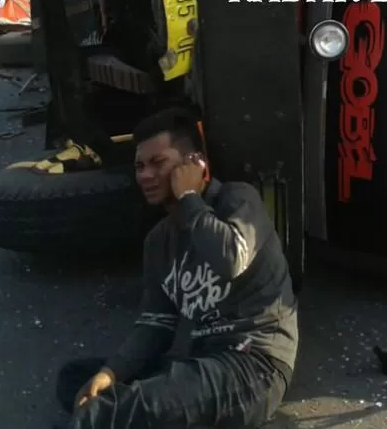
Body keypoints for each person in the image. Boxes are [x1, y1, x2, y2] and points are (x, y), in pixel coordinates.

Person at [55, 108, 298, 429]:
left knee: (107, 413)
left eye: (158, 163)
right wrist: (110, 372)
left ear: (193, 164)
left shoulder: (238, 200)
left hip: (252, 364)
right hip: (194, 361)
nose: (144, 175)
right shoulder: (159, 241)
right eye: (140, 166)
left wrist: (188, 197)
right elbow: (156, 324)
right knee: (76, 381)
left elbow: (230, 259)